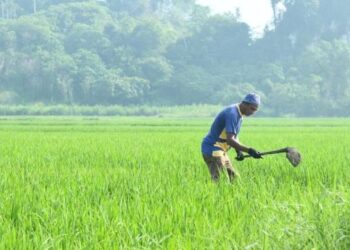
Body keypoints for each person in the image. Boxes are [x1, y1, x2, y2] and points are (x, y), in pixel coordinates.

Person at [201, 93, 262, 182]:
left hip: (221, 151)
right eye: (252, 109)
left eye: (255, 110)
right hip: (213, 149)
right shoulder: (232, 113)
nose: (253, 112)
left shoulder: (239, 115)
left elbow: (234, 136)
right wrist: (249, 150)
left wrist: (239, 152)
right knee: (221, 181)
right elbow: (230, 140)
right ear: (245, 104)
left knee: (234, 178)